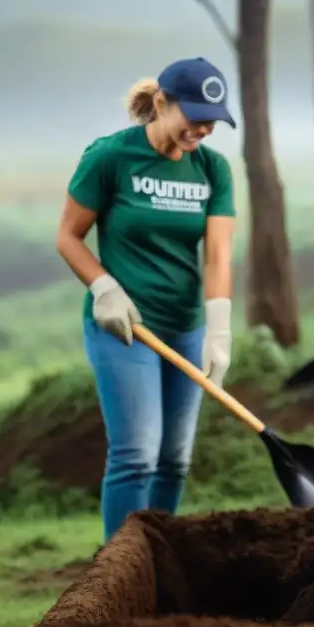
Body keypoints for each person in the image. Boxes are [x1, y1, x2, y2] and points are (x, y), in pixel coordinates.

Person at [55, 57, 237, 541]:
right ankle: (119, 573)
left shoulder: (213, 169)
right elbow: (69, 237)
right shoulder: (110, 157)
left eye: (212, 121)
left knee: (173, 460)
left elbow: (218, 256)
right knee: (136, 454)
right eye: (193, 116)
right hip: (125, 328)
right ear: (161, 102)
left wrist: (218, 329)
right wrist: (103, 287)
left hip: (185, 327)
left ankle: (156, 564)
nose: (202, 130)